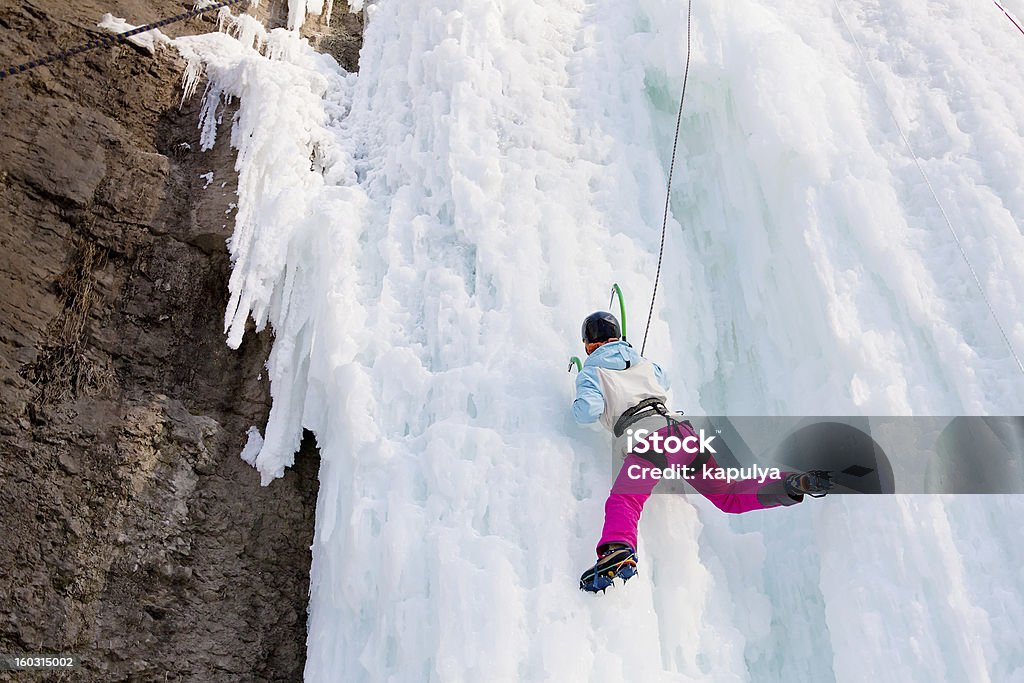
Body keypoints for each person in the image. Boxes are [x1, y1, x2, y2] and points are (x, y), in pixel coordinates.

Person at [572, 311, 834, 593]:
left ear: (589, 346)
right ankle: (791, 483)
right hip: (682, 436)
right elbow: (664, 379)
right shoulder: (644, 363)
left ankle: (619, 547)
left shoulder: (592, 373)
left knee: (625, 500)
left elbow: (587, 412)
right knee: (728, 495)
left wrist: (581, 394)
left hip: (648, 440)